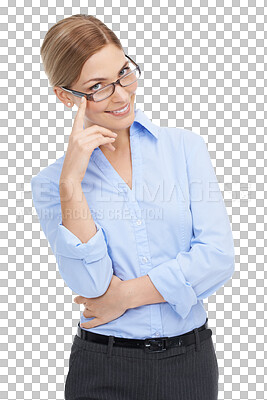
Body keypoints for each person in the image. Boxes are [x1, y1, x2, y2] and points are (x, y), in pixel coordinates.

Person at [31, 14, 235, 400]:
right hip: (102, 367)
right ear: (66, 96)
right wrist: (71, 183)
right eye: (98, 87)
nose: (122, 95)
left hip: (188, 363)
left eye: (124, 73)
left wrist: (124, 297)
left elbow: (217, 259)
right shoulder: (52, 184)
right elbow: (90, 286)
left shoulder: (184, 149)